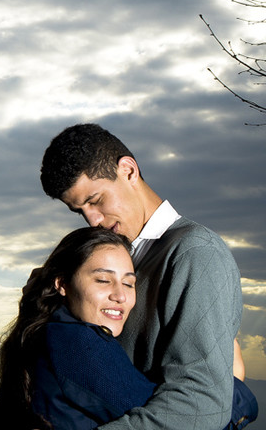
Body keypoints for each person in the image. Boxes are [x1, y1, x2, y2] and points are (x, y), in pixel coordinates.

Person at [39, 123, 255, 430]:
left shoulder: (194, 251)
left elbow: (202, 405)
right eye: (80, 210)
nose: (92, 219)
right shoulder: (115, 257)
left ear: (128, 171)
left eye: (96, 200)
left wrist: (234, 397)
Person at [0, 226, 257, 430]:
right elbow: (184, 417)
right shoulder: (78, 343)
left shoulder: (41, 334)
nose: (120, 295)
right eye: (103, 280)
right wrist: (234, 386)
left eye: (129, 284)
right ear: (62, 284)